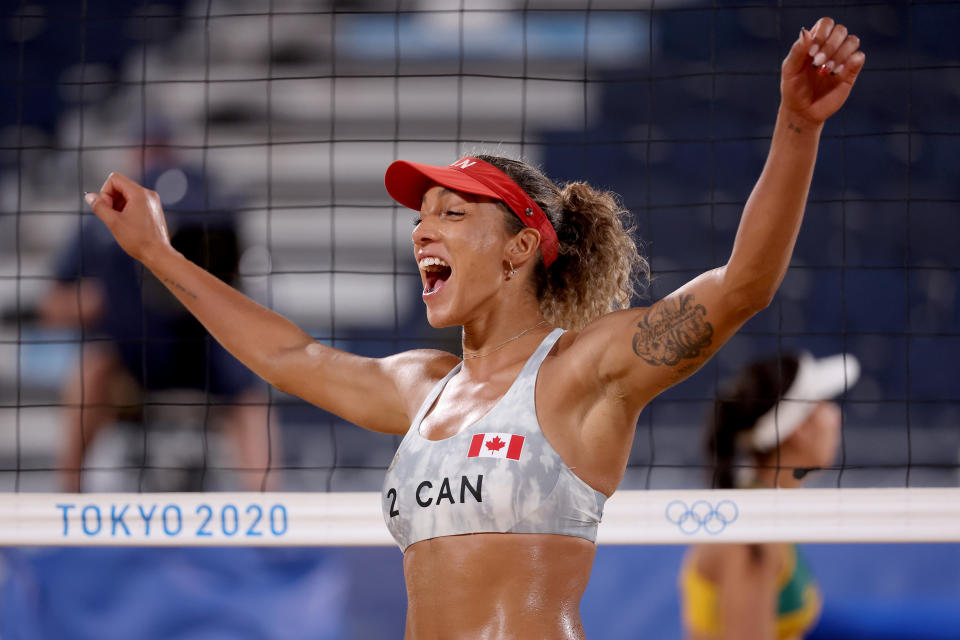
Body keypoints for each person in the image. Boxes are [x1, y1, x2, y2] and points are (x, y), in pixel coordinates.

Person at [81, 18, 864, 640]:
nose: (423, 233)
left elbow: (744, 286)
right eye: (420, 219)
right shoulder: (423, 388)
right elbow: (289, 356)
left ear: (522, 246)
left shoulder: (582, 373)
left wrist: (797, 124)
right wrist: (156, 251)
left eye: (452, 215)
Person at [40, 140, 278, 492]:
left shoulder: (208, 208)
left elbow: (240, 285)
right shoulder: (98, 226)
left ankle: (268, 507)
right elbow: (50, 305)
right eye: (144, 149)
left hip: (204, 347)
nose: (152, 157)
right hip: (134, 352)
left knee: (251, 388)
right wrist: (96, 299)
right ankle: (67, 500)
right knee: (92, 368)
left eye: (160, 147)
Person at [680, 351, 860, 640]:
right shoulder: (750, 534)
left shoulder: (765, 512)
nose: (836, 416)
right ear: (800, 429)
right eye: (825, 404)